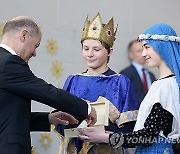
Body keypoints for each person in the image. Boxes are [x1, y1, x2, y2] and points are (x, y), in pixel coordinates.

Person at [0, 16, 97, 154]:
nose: (34, 53)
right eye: (36, 45)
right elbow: (45, 91)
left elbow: (8, 117)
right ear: (24, 35)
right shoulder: (9, 62)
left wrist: (48, 119)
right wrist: (85, 108)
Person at [78, 23, 180, 154]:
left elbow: (146, 137)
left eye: (147, 47)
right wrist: (108, 134)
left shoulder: (167, 87)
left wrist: (106, 137)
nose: (143, 54)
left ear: (162, 47)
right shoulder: (162, 84)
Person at [56, 13, 140, 154]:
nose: (90, 54)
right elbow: (60, 124)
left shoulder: (120, 82)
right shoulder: (73, 80)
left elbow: (131, 128)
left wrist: (106, 129)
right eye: (86, 48)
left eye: (96, 49)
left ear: (109, 52)